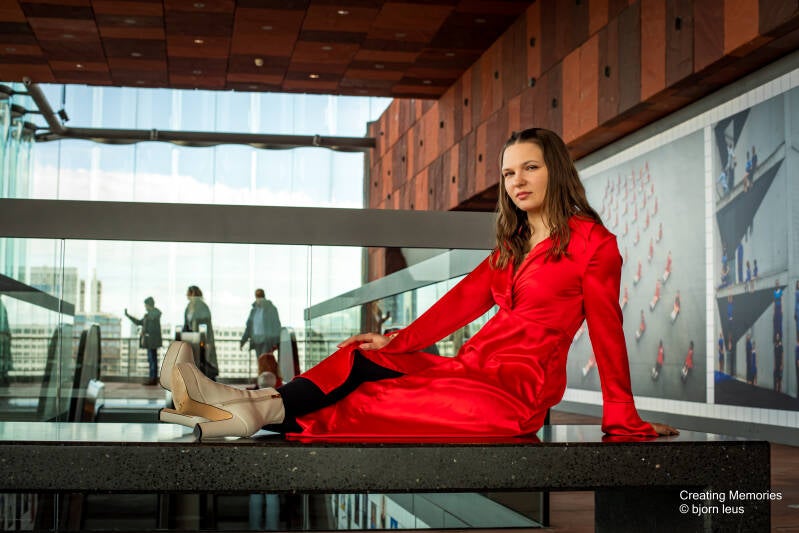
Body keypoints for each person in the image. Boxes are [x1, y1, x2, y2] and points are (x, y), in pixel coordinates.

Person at [157, 127, 678, 440]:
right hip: (472, 369)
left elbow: (608, 333)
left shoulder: (593, 245)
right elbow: (459, 304)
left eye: (529, 168)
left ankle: (235, 404)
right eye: (507, 174)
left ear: (555, 171)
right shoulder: (513, 246)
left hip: (515, 395)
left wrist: (623, 418)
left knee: (370, 401)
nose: (516, 181)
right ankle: (239, 406)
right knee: (365, 356)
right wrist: (398, 341)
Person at [125, 297, 163, 386]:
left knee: (152, 360)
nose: (145, 307)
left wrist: (145, 330)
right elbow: (139, 322)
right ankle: (152, 379)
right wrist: (128, 316)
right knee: (151, 360)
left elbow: (152, 320)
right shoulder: (148, 315)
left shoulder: (154, 313)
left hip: (152, 341)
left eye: (145, 305)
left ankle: (153, 379)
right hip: (149, 341)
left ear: (149, 305)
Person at [183, 285, 218, 380]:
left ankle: (207, 381)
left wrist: (206, 341)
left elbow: (205, 325)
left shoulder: (202, 306)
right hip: (192, 340)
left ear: (192, 293)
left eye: (188, 293)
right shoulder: (189, 307)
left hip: (202, 339)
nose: (186, 295)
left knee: (203, 361)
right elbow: (186, 324)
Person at [240, 288, 282, 358]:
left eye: (261, 297)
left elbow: (276, 325)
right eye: (258, 297)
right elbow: (249, 327)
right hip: (256, 341)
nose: (259, 300)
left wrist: (277, 341)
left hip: (267, 341)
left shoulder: (271, 309)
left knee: (265, 359)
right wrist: (243, 341)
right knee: (260, 360)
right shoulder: (254, 311)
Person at [0, 297, 11, 387]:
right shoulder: (2, 306)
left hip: (3, 337)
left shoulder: (2, 306)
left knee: (3, 357)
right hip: (3, 337)